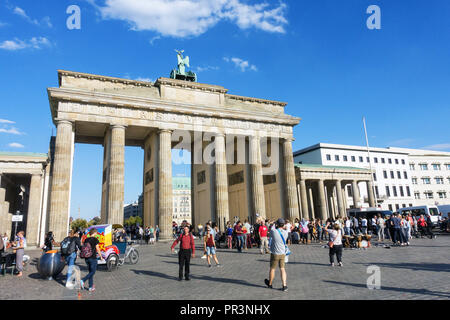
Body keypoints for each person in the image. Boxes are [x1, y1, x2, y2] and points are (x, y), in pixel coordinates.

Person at [264, 218, 289, 292]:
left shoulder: (274, 231)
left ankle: (270, 284)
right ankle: (284, 285)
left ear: (277, 224)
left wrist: (274, 224)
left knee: (272, 269)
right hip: (282, 253)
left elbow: (269, 231)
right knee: (282, 269)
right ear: (283, 224)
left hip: (275, 253)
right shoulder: (286, 232)